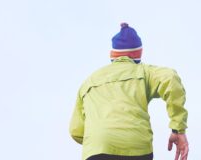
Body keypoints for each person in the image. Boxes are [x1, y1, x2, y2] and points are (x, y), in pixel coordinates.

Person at [69, 23, 189, 160]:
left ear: (113, 53)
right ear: (138, 53)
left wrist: (98, 138)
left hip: (97, 148)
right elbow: (170, 78)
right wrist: (177, 129)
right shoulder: (144, 72)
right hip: (136, 148)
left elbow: (75, 130)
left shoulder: (88, 82)